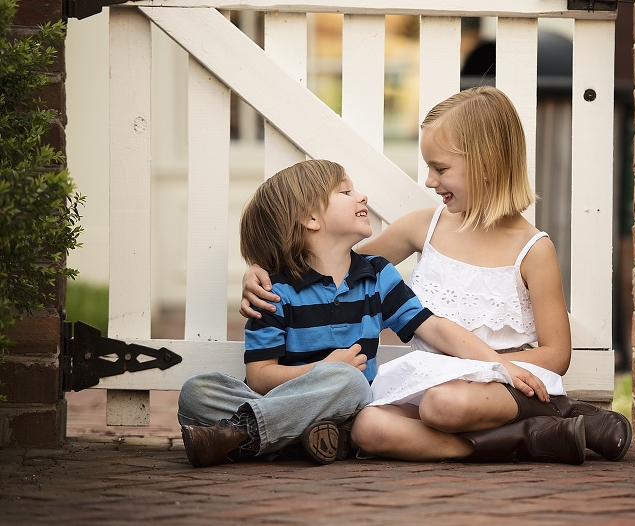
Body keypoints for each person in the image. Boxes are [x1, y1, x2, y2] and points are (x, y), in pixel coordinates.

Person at [241, 87, 631, 463]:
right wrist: (261, 269)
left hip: (503, 386)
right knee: (368, 428)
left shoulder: (534, 249)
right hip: (430, 383)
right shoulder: (421, 228)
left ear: (487, 164)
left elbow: (557, 356)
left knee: (446, 405)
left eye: (440, 168)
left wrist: (492, 366)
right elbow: (328, 263)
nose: (429, 181)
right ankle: (527, 440)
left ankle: (552, 414)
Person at [179, 158, 585, 469]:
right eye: (345, 191)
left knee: (351, 384)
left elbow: (435, 328)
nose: (362, 197)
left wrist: (498, 366)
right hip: (287, 398)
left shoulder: (376, 277)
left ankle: (248, 435)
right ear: (311, 219)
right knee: (196, 392)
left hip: (353, 407)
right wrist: (321, 369)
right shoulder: (275, 293)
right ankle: (284, 435)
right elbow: (260, 378)